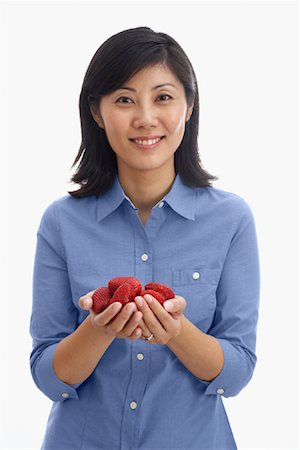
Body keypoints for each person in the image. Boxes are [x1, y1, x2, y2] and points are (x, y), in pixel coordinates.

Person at [29, 26, 260, 450]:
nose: (145, 118)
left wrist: (176, 332)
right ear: (97, 113)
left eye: (164, 97)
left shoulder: (231, 220)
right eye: (124, 99)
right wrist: (98, 329)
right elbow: (47, 374)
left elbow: (237, 370)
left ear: (189, 107)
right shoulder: (61, 222)